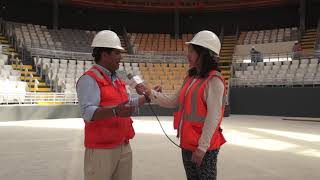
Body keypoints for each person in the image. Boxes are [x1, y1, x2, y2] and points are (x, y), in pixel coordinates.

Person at [143, 30, 227, 180]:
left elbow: (213, 117)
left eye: (191, 51)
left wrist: (202, 148)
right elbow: (173, 101)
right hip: (187, 143)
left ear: (204, 54)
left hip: (204, 147)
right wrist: (151, 93)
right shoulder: (190, 76)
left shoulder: (214, 81)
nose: (188, 55)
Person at [76, 30, 148, 180]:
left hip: (123, 145)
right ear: (104, 55)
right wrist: (115, 111)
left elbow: (126, 103)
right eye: (116, 53)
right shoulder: (89, 79)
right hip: (101, 150)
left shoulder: (117, 79)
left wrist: (145, 98)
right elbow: (87, 113)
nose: (120, 57)